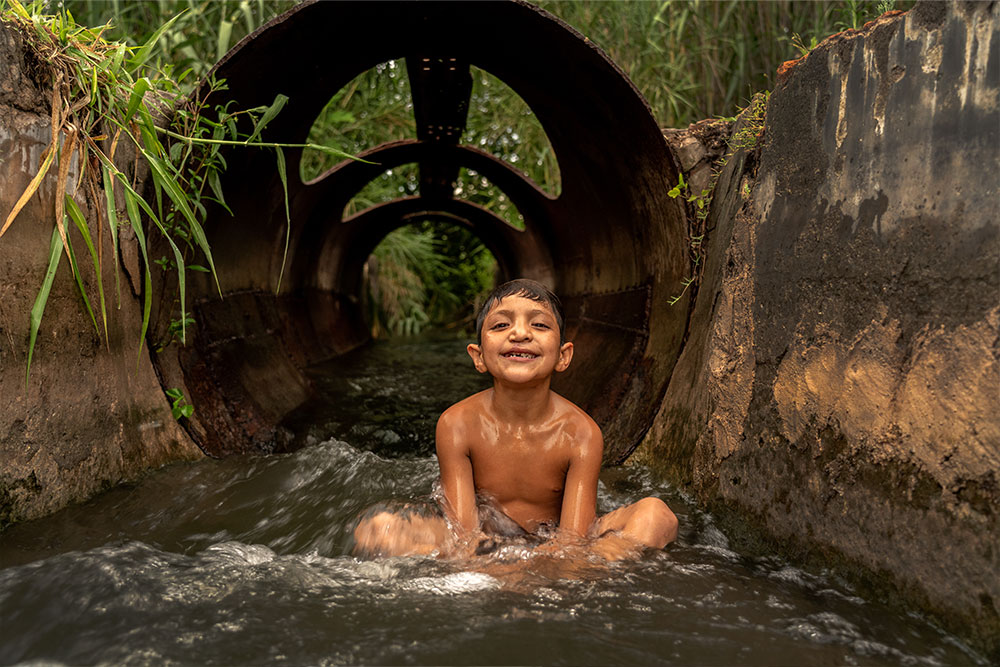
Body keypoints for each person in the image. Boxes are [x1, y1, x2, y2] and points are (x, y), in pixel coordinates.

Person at [352, 278, 678, 561]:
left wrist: (558, 562)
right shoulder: (457, 424)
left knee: (656, 516)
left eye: (539, 324)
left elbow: (573, 540)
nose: (520, 333)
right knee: (379, 528)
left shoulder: (581, 433)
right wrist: (484, 557)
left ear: (563, 356)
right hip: (484, 542)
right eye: (500, 325)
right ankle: (538, 574)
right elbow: (462, 532)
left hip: (555, 542)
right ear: (478, 357)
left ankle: (561, 573)